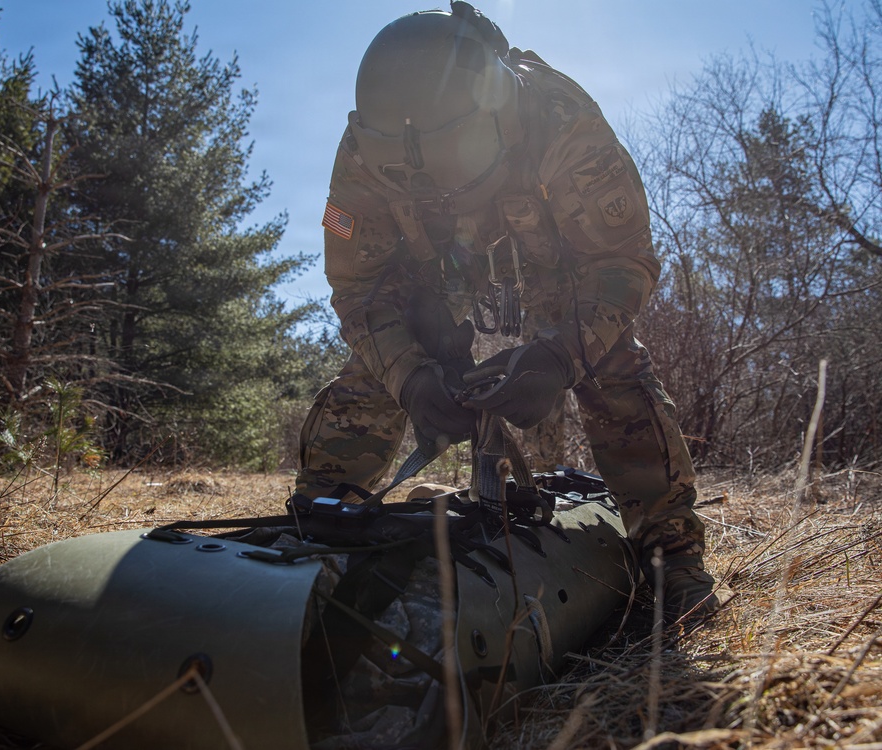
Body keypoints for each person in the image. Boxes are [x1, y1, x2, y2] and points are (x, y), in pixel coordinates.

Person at [295, 2, 726, 620]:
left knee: (612, 363)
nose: (442, 194)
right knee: (382, 360)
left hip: (555, 256)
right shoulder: (363, 151)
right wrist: (413, 378)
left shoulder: (563, 122)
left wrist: (558, 357)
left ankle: (673, 562)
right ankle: (317, 525)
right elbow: (358, 287)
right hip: (434, 266)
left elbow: (621, 260)